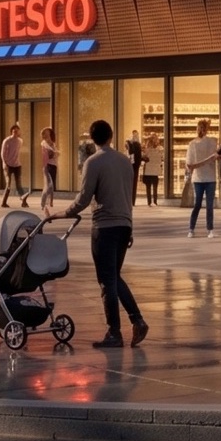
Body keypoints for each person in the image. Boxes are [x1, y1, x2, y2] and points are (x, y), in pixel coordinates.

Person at [61, 119, 147, 349]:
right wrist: (130, 224)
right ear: (111, 135)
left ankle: (114, 332)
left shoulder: (93, 162)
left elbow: (84, 198)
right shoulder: (124, 161)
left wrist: (63, 213)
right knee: (114, 277)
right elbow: (129, 197)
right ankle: (137, 320)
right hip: (123, 225)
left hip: (104, 226)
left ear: (92, 138)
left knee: (106, 281)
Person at [185, 119, 220, 239]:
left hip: (198, 178)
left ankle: (191, 229)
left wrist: (191, 169)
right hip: (209, 177)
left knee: (197, 204)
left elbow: (189, 163)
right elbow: (214, 157)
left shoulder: (192, 144)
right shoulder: (212, 141)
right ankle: (209, 229)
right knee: (209, 205)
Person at [0, 123, 26, 205]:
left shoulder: (20, 141)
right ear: (11, 131)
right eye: (14, 131)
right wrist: (5, 163)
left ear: (19, 132)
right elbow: (3, 153)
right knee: (8, 184)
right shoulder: (7, 141)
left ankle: (24, 202)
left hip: (17, 165)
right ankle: (4, 202)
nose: (15, 132)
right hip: (8, 165)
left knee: (19, 185)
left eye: (17, 131)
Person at [125, 129, 150, 204]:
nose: (135, 136)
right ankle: (130, 200)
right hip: (131, 165)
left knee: (134, 183)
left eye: (136, 135)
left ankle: (132, 201)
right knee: (130, 183)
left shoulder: (138, 144)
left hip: (135, 165)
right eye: (134, 135)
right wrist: (131, 143)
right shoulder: (130, 143)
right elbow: (131, 152)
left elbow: (137, 155)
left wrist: (143, 158)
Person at [39, 126, 60, 215]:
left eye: (48, 133)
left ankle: (50, 202)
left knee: (51, 186)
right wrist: (56, 153)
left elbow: (55, 154)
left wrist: (56, 153)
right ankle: (44, 204)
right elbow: (49, 156)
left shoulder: (53, 144)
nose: (47, 134)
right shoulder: (44, 144)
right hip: (47, 166)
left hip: (54, 165)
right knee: (47, 186)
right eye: (45, 133)